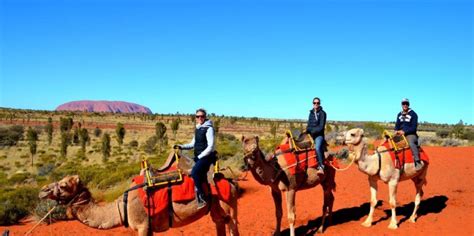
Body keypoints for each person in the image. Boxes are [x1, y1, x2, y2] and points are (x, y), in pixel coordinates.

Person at [174, 108, 216, 209]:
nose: (200, 118)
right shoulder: (198, 128)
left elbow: (210, 146)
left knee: (194, 172)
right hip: (199, 156)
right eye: (198, 116)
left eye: (202, 116)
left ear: (205, 117)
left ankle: (201, 197)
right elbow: (193, 144)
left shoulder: (209, 128)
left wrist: (199, 157)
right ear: (195, 118)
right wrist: (181, 146)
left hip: (207, 157)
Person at [394, 98, 423, 170]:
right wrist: (396, 130)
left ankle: (417, 162)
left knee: (410, 143)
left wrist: (404, 131)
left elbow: (414, 128)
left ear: (408, 104)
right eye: (403, 103)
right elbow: (397, 125)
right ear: (401, 105)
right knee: (392, 143)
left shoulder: (413, 114)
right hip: (400, 134)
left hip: (411, 134)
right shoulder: (399, 114)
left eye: (406, 103)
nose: (405, 105)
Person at [306, 97, 327, 175]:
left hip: (319, 135)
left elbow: (321, 127)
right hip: (310, 134)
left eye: (317, 103)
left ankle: (321, 166)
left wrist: (312, 131)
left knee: (317, 148)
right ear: (313, 103)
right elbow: (308, 125)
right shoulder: (311, 113)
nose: (316, 104)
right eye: (314, 103)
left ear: (319, 104)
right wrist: (308, 130)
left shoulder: (322, 113)